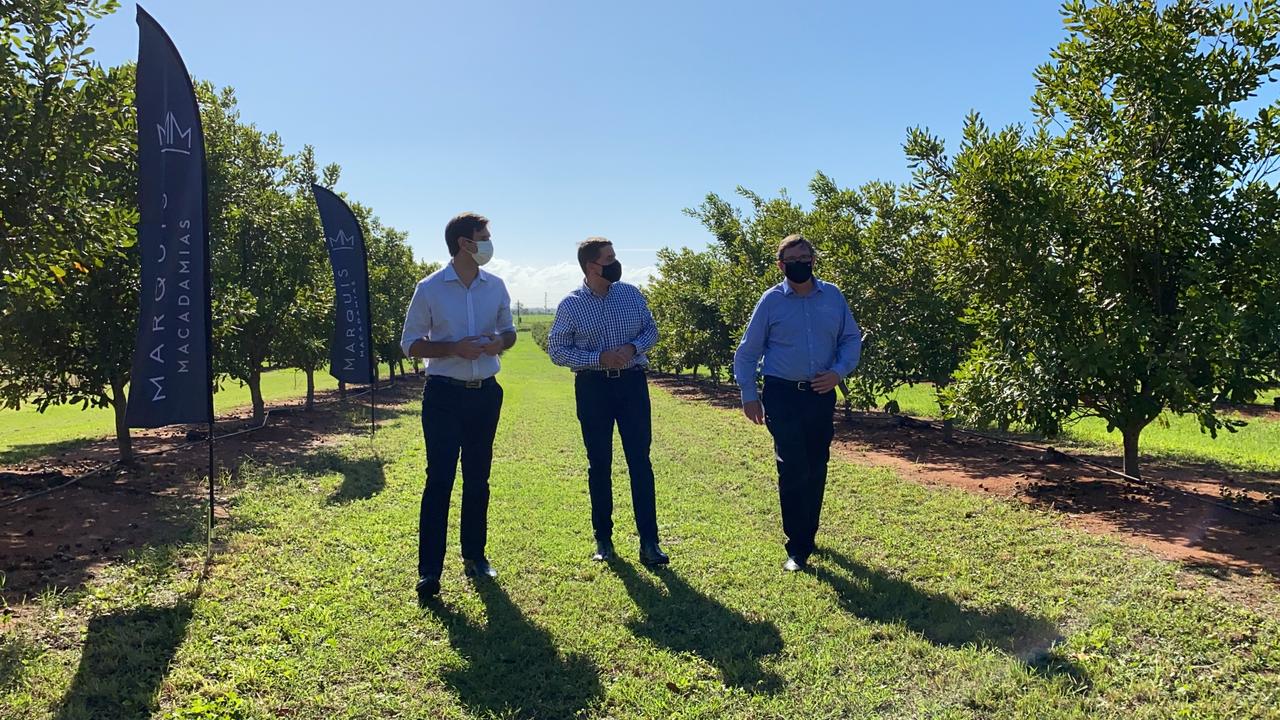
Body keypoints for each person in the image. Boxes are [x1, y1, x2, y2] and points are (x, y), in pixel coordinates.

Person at [401, 212, 516, 603]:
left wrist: (498, 343)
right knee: (439, 481)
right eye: (483, 236)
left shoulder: (496, 286)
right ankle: (429, 571)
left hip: (485, 393)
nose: (488, 242)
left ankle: (475, 556)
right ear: (465, 243)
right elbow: (411, 344)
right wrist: (454, 347)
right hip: (444, 395)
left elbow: (509, 332)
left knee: (478, 479)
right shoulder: (430, 288)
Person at [732, 234, 861, 572]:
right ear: (781, 265)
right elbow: (747, 353)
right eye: (793, 258)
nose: (801, 262)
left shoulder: (832, 296)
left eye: (806, 256)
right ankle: (796, 546)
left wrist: (838, 372)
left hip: (820, 393)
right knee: (792, 466)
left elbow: (850, 339)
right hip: (782, 394)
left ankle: (809, 534)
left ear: (813, 260)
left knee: (817, 464)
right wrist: (749, 395)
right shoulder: (771, 301)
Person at [547, 237, 669, 565]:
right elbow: (557, 349)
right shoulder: (571, 305)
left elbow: (651, 331)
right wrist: (598, 357)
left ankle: (650, 542)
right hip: (593, 389)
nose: (616, 262)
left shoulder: (630, 294)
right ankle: (604, 540)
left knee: (640, 462)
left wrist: (631, 349)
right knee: (599, 465)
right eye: (610, 258)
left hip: (631, 385)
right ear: (591, 266)